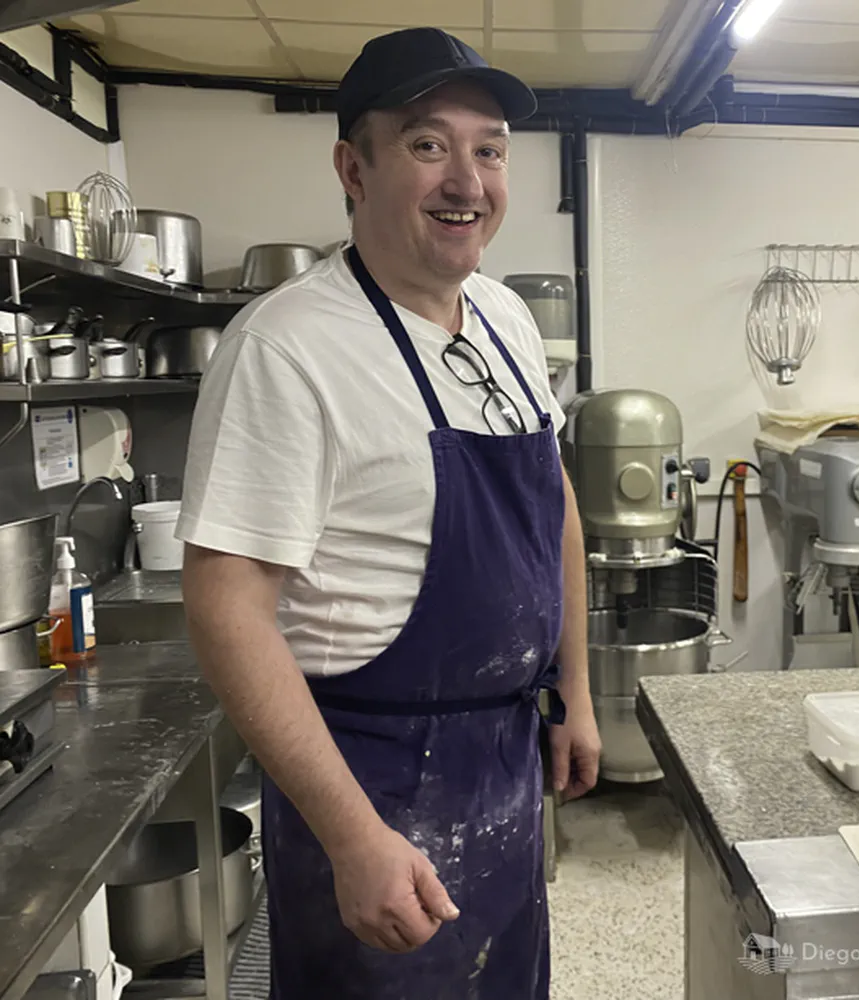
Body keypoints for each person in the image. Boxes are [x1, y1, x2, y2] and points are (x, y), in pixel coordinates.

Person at [177, 25, 601, 1000]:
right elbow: (225, 605)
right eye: (425, 144)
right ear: (351, 168)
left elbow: (553, 499)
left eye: (488, 148)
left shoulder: (506, 318)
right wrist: (351, 834)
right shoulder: (287, 348)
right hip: (374, 780)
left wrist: (573, 684)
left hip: (503, 763)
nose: (467, 179)